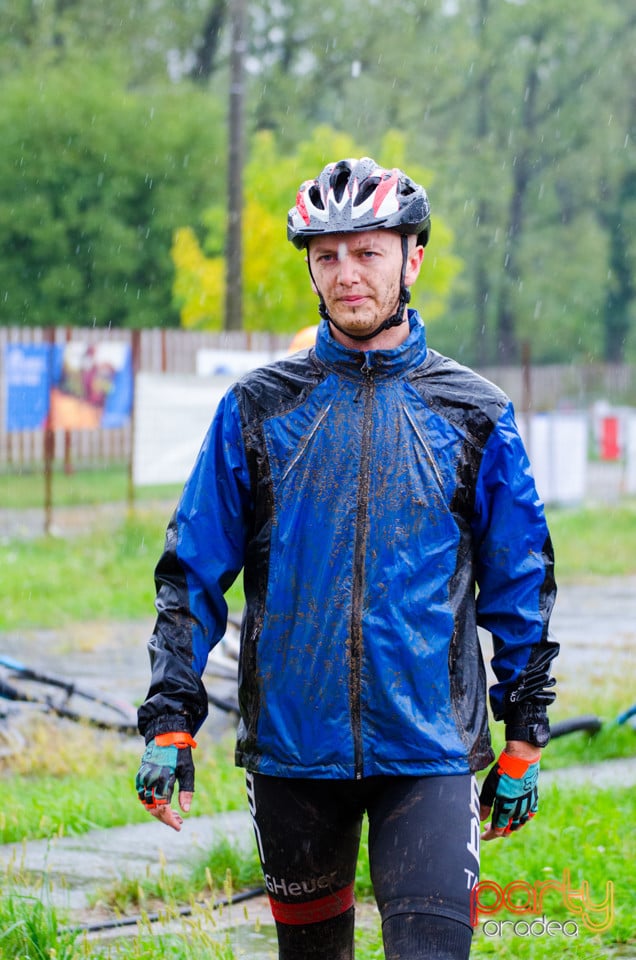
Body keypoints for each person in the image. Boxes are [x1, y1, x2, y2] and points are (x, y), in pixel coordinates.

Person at [135, 157, 559, 960]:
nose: (346, 275)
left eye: (367, 252)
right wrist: (169, 721)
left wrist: (525, 734)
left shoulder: (473, 412)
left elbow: (520, 581)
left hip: (431, 748)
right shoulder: (257, 409)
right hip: (294, 751)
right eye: (326, 256)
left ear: (413, 258)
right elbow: (190, 571)